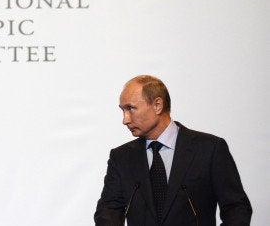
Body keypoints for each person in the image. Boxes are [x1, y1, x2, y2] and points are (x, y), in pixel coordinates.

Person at [94, 75, 251, 226]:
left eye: (131, 108)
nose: (125, 119)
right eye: (123, 110)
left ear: (157, 105)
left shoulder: (210, 149)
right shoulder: (121, 157)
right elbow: (108, 212)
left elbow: (236, 208)